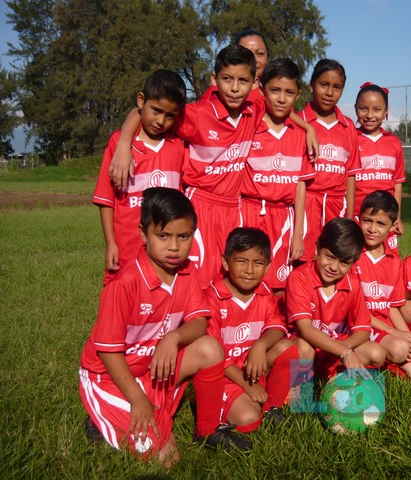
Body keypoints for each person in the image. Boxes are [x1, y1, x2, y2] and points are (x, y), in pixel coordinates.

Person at [109, 45, 318, 288]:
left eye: (242, 80)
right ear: (214, 79)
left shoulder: (254, 110)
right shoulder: (196, 114)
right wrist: (124, 144)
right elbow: (145, 109)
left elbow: (281, 108)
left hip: (233, 209)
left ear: (254, 84)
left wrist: (307, 127)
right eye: (227, 79)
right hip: (200, 206)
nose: (235, 87)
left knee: (226, 279)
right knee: (195, 281)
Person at [79, 188, 251, 468]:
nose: (174, 246)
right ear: (143, 234)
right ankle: (104, 416)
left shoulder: (189, 271)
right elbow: (108, 353)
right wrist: (138, 400)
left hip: (152, 367)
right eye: (164, 236)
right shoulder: (124, 284)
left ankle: (207, 431)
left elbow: (198, 321)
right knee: (166, 459)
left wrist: (174, 337)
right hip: (110, 376)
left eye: (183, 237)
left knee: (210, 347)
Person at [93, 70, 186, 284]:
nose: (161, 120)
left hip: (166, 255)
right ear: (141, 100)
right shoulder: (119, 144)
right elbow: (106, 200)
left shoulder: (178, 146)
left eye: (170, 116)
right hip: (127, 251)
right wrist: (111, 244)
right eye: (156, 110)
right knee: (123, 309)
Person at [206, 227, 299, 432]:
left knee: (288, 347)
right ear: (225, 262)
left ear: (267, 267)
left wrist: (260, 344)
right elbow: (213, 356)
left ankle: (272, 407)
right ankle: (226, 405)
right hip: (224, 375)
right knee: (248, 420)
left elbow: (277, 327)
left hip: (252, 367)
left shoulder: (265, 292)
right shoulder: (212, 297)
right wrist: (246, 385)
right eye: (241, 261)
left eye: (257, 263)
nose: (249, 269)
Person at [240, 59, 315, 292]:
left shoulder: (300, 134)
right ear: (262, 89)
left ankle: (277, 327)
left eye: (289, 92)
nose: (282, 99)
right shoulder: (249, 125)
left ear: (298, 95)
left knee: (280, 283)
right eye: (275, 90)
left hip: (284, 217)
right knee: (245, 276)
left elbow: (300, 186)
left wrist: (298, 234)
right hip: (249, 212)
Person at [285, 218, 386, 379]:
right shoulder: (299, 277)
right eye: (330, 256)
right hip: (304, 341)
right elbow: (305, 329)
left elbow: (363, 330)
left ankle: (327, 377)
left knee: (377, 353)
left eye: (344, 262)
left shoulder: (352, 283)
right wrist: (344, 352)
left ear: (354, 263)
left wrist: (341, 349)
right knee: (303, 349)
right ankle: (297, 398)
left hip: (334, 344)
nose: (333, 267)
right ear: (318, 248)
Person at [355, 190, 411, 381]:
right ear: (359, 219)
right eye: (367, 221)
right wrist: (396, 333)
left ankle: (403, 361)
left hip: (382, 324)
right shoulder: (352, 255)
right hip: (359, 323)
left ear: (393, 226)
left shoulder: (393, 261)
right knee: (399, 349)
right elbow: (355, 310)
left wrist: (407, 336)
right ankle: (392, 362)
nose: (372, 229)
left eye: (381, 224)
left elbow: (391, 307)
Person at [297, 59, 362, 262]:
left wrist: (349, 216)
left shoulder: (348, 126)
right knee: (305, 258)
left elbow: (350, 174)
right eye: (323, 84)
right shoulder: (300, 121)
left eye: (337, 87)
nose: (329, 92)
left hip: (336, 205)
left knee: (334, 258)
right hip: (307, 203)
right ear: (311, 85)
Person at [353, 82, 406, 246]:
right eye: (363, 108)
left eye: (376, 109)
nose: (369, 115)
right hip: (357, 216)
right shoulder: (351, 139)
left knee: (386, 264)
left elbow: (397, 183)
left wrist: (397, 217)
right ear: (356, 108)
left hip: (385, 218)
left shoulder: (394, 143)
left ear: (386, 112)